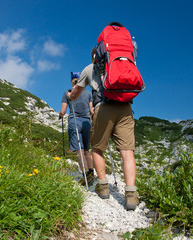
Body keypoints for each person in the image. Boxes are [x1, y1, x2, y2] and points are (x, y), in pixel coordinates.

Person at [67, 44, 139, 210]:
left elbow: (76, 93)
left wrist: (71, 97)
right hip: (126, 108)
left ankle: (103, 187)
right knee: (127, 152)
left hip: (103, 108)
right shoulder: (126, 61)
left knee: (98, 148)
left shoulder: (90, 68)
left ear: (96, 55)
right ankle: (130, 194)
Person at [59, 72, 95, 185]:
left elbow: (63, 111)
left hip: (74, 121)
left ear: (71, 80)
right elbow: (92, 110)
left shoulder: (68, 93)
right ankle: (91, 172)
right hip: (86, 122)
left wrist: (60, 116)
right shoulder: (88, 93)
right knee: (87, 149)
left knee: (79, 150)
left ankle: (85, 176)